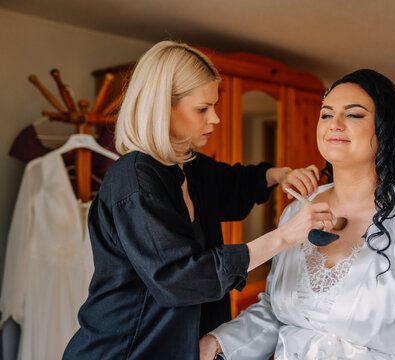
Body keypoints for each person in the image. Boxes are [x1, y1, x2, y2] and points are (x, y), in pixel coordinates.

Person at [62, 41, 334, 360]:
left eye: (214, 106)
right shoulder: (134, 180)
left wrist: (279, 175)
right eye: (203, 109)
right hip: (126, 350)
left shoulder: (189, 166)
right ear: (162, 107)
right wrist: (285, 236)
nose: (215, 118)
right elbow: (181, 279)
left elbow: (234, 184)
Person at [201, 69, 395, 359]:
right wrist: (218, 342)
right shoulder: (298, 211)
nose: (334, 124)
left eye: (354, 115)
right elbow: (275, 311)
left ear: (385, 129)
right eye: (326, 114)